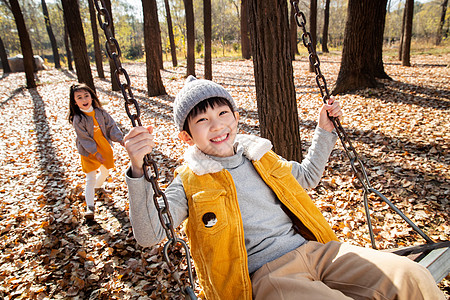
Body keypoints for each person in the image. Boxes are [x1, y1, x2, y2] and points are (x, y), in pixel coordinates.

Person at [123, 76, 444, 300]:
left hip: (317, 251)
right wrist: (138, 169)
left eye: (223, 113)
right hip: (268, 277)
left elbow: (305, 178)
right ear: (187, 136)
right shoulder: (190, 182)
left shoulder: (260, 157)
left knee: (410, 278)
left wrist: (324, 131)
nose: (218, 125)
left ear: (236, 117)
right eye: (203, 120)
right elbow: (150, 234)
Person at [68, 83, 124, 220]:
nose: (84, 100)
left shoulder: (100, 113)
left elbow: (111, 127)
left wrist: (121, 139)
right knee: (90, 178)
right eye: (79, 97)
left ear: (92, 98)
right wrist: (95, 153)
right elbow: (84, 138)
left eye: (86, 96)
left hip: (103, 147)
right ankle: (90, 207)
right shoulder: (78, 119)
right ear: (75, 102)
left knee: (105, 172)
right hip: (88, 152)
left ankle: (97, 188)